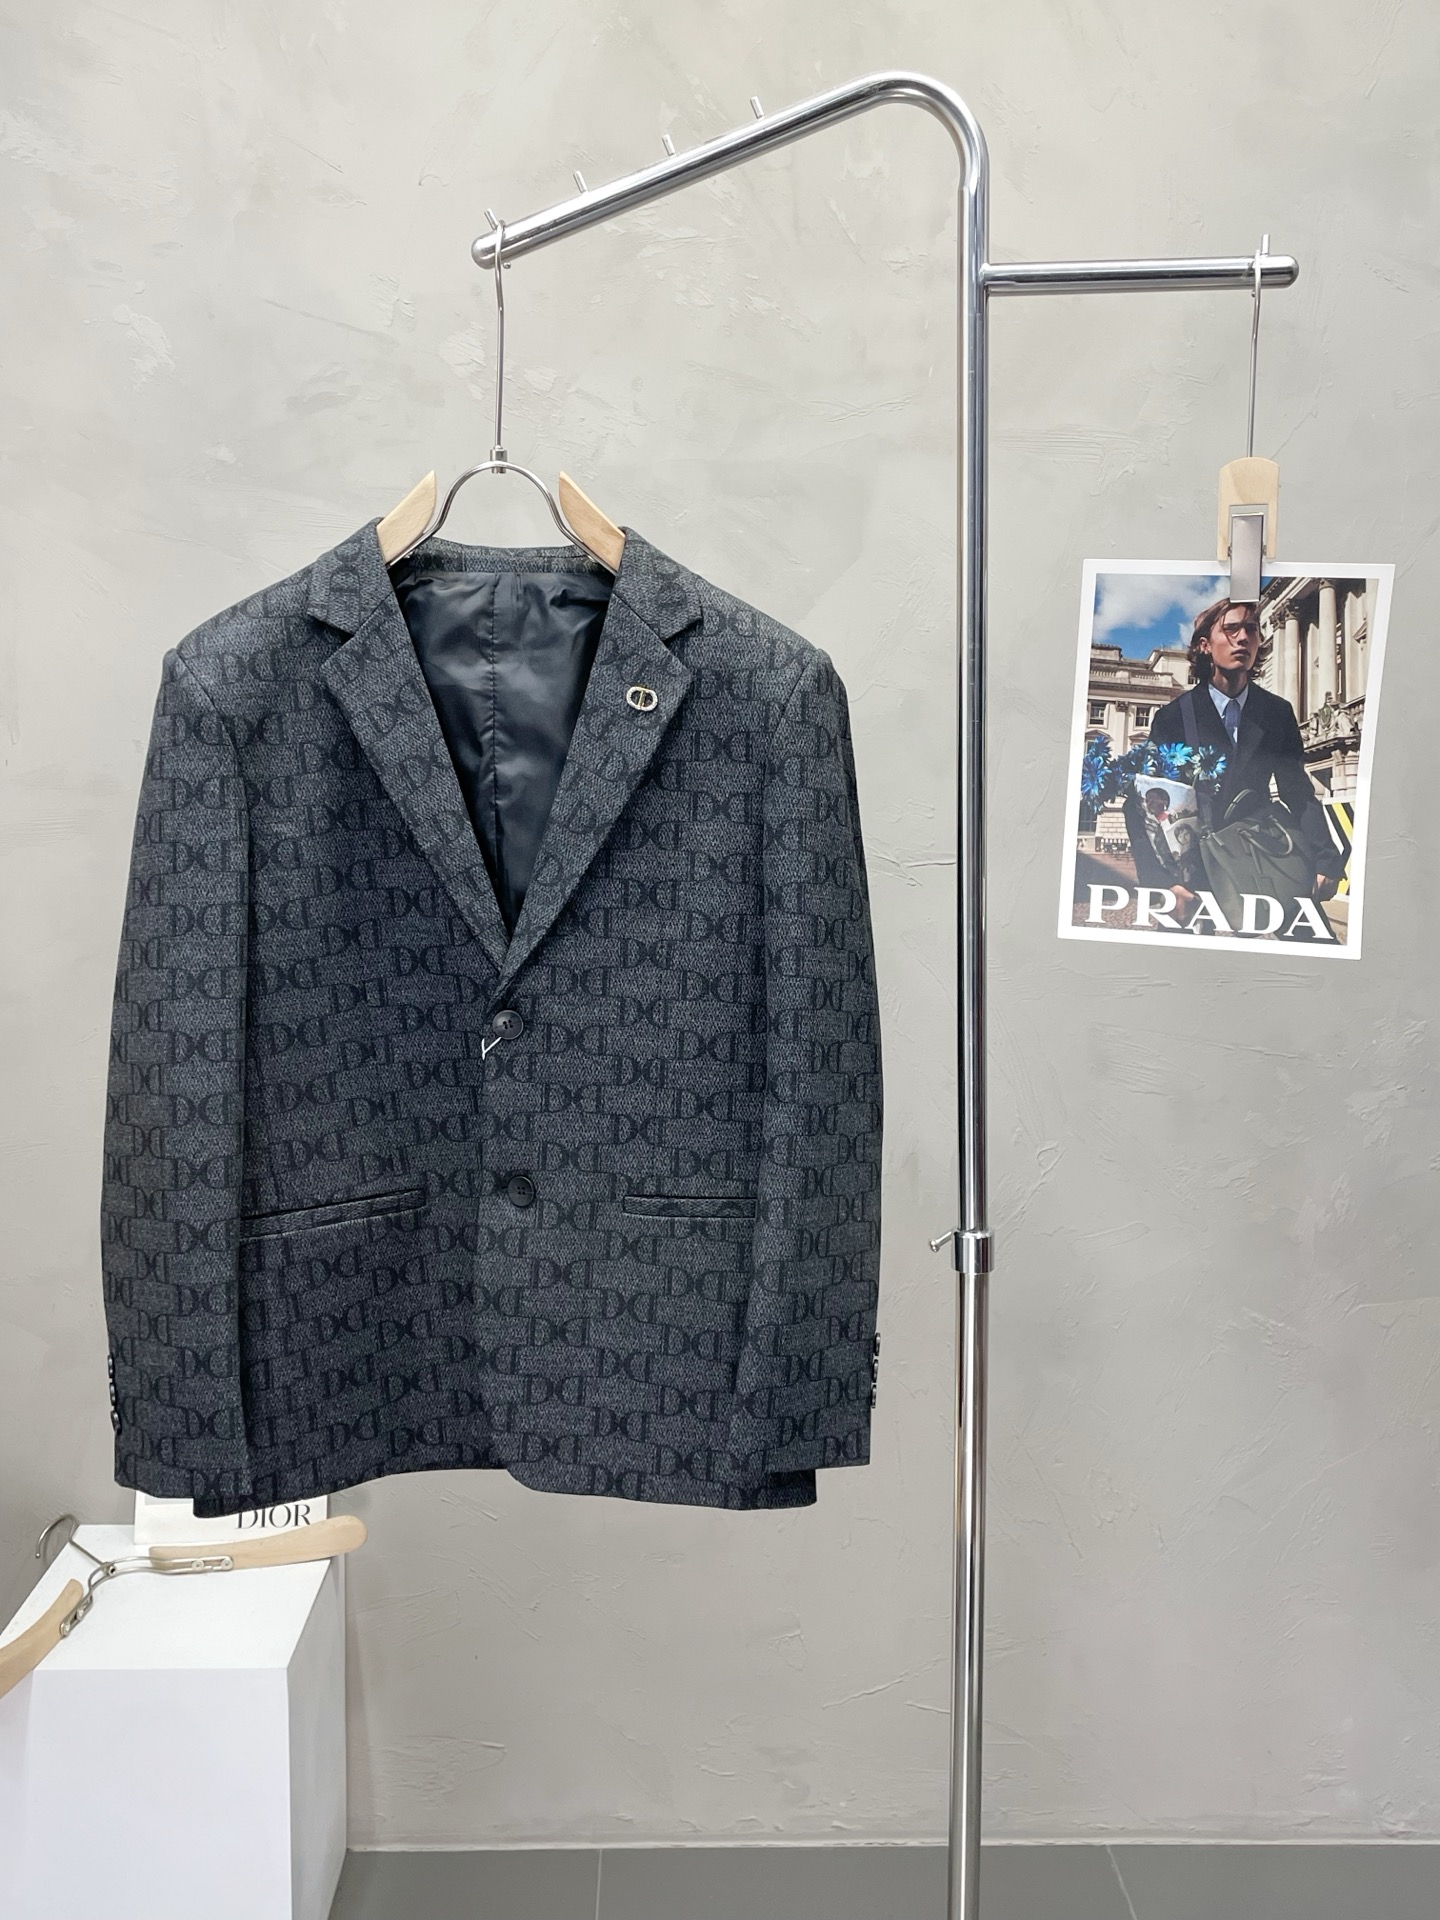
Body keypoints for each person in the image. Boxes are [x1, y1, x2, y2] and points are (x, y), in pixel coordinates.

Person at [1124, 597, 1347, 912]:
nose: (1243, 637)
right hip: (1191, 874)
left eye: (1251, 629)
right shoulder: (1173, 717)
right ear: (1205, 645)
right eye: (1231, 629)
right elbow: (1141, 804)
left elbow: (1298, 792)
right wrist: (1161, 883)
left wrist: (1327, 861)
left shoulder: (1277, 712)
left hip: (1259, 859)